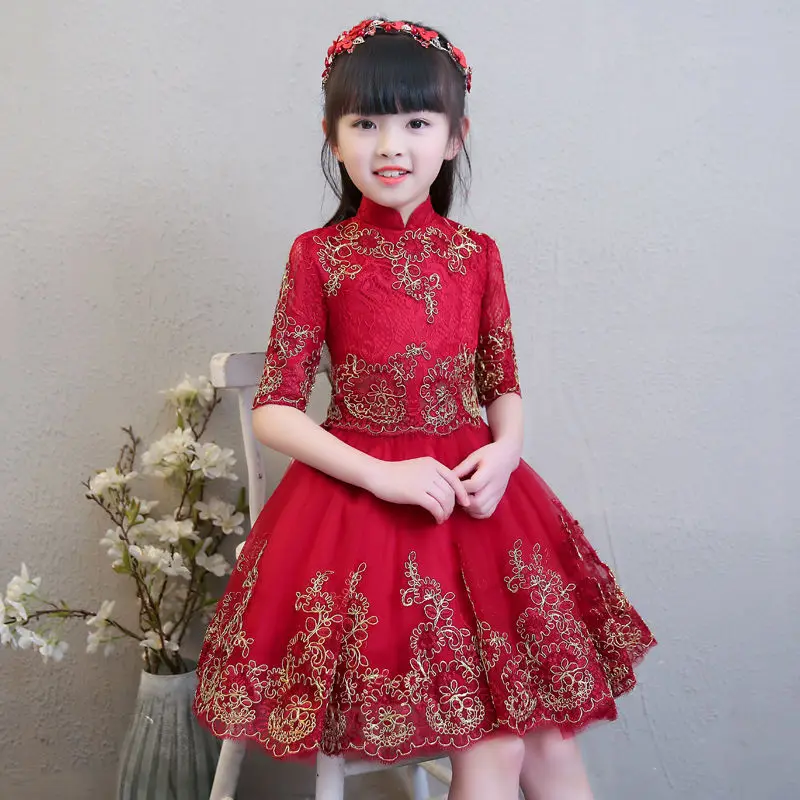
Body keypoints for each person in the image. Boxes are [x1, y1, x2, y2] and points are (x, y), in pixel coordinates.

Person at [194, 17, 655, 800]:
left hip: (478, 502)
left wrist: (506, 451)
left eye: (416, 123)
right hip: (364, 511)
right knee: (501, 744)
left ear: (454, 136)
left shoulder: (476, 254)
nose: (391, 146)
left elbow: (502, 383)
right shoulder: (320, 255)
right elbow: (276, 408)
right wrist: (384, 475)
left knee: (547, 741)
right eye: (365, 124)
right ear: (333, 137)